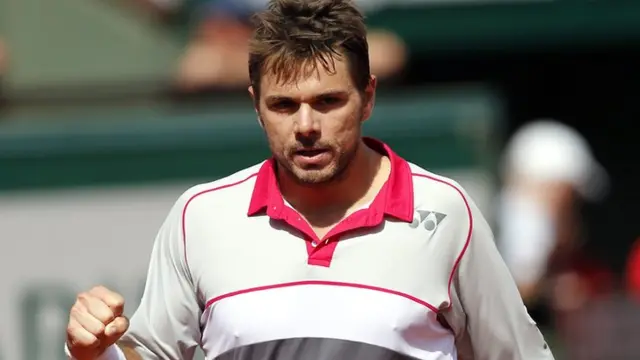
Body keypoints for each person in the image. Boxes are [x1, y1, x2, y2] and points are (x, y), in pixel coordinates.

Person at [65, 1, 554, 359]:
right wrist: (93, 351)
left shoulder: (446, 213)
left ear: (368, 99)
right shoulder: (200, 216)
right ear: (257, 107)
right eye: (283, 105)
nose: (305, 127)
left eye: (327, 102)